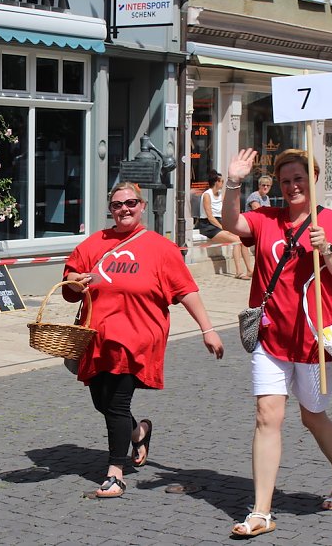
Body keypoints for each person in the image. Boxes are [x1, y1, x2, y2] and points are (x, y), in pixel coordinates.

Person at [221, 149, 332, 537]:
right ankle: (262, 512)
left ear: (313, 177)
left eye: (299, 178)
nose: (292, 186)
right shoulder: (266, 219)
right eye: (286, 181)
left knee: (312, 415)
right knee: (268, 416)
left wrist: (328, 250)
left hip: (316, 340)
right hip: (272, 336)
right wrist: (234, 181)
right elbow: (230, 221)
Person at [62, 181, 224, 499]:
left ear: (142, 206)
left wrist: (208, 328)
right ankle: (140, 432)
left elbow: (186, 290)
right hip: (97, 338)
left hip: (138, 337)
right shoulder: (94, 244)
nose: (124, 209)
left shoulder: (160, 248)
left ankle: (115, 473)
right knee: (102, 402)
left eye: (131, 203)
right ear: (110, 209)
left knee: (118, 403)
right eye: (118, 204)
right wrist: (74, 282)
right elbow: (69, 286)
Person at [198, 170, 253, 279]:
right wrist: (224, 228)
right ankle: (238, 271)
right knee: (236, 240)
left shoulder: (220, 195)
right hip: (209, 225)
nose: (223, 183)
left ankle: (250, 270)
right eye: (222, 181)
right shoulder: (207, 195)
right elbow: (210, 217)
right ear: (216, 182)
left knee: (242, 239)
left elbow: (226, 211)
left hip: (220, 222)